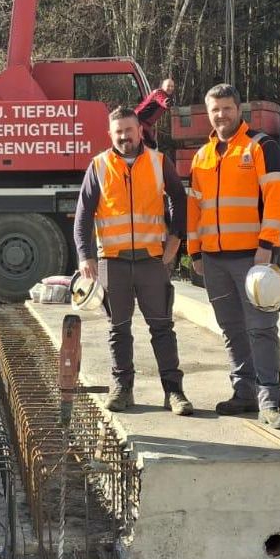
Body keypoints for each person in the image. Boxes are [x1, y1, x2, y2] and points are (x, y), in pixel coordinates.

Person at [74, 106, 193, 416]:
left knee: (162, 328)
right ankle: (122, 389)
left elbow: (180, 199)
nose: (124, 136)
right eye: (118, 132)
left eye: (129, 130)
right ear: (110, 135)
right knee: (118, 328)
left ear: (140, 131)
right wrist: (84, 256)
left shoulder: (158, 162)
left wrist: (176, 242)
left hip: (151, 262)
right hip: (112, 262)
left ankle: (174, 392)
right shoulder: (98, 165)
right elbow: (84, 214)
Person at [187, 83, 280, 429]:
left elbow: (277, 197)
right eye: (215, 110)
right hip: (214, 259)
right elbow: (194, 209)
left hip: (252, 258)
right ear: (209, 113)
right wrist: (194, 252)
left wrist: (267, 244)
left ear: (239, 110)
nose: (221, 115)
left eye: (227, 109)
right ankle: (244, 392)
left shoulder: (261, 146)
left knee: (261, 328)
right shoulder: (202, 156)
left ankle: (270, 401)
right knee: (231, 329)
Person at [134, 78, 175, 149]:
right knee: (151, 146)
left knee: (150, 146)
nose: (170, 88)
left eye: (172, 86)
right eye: (168, 86)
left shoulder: (162, 94)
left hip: (142, 123)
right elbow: (163, 100)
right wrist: (166, 102)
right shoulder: (159, 93)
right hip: (139, 122)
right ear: (162, 86)